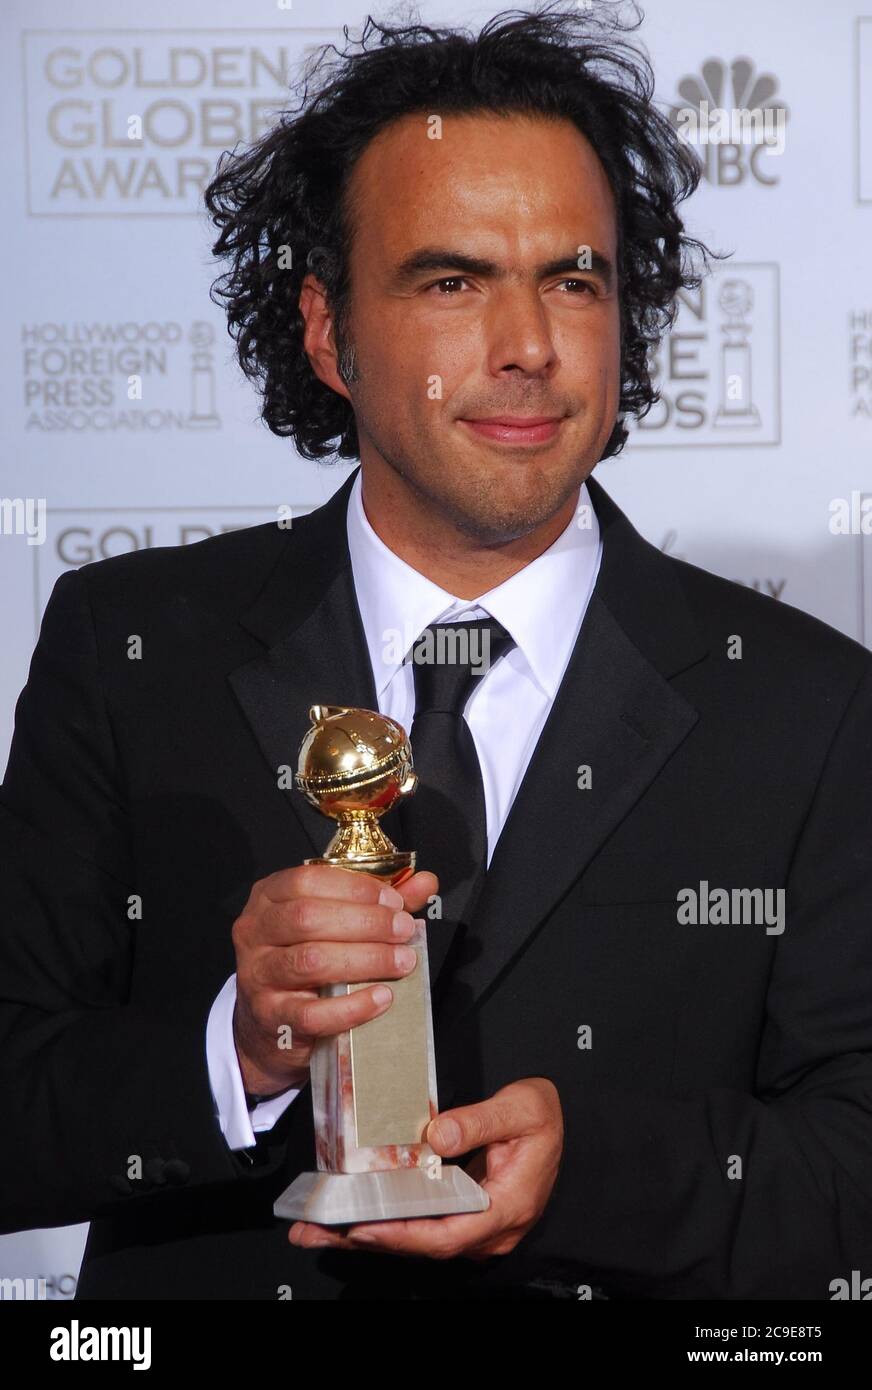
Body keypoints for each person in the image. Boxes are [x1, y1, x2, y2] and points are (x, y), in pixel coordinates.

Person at [2, 3, 871, 1300]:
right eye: (452, 279)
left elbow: (853, 1163)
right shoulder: (130, 652)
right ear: (325, 330)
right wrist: (234, 1053)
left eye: (574, 278)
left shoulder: (810, 705)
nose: (527, 346)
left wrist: (591, 1174)